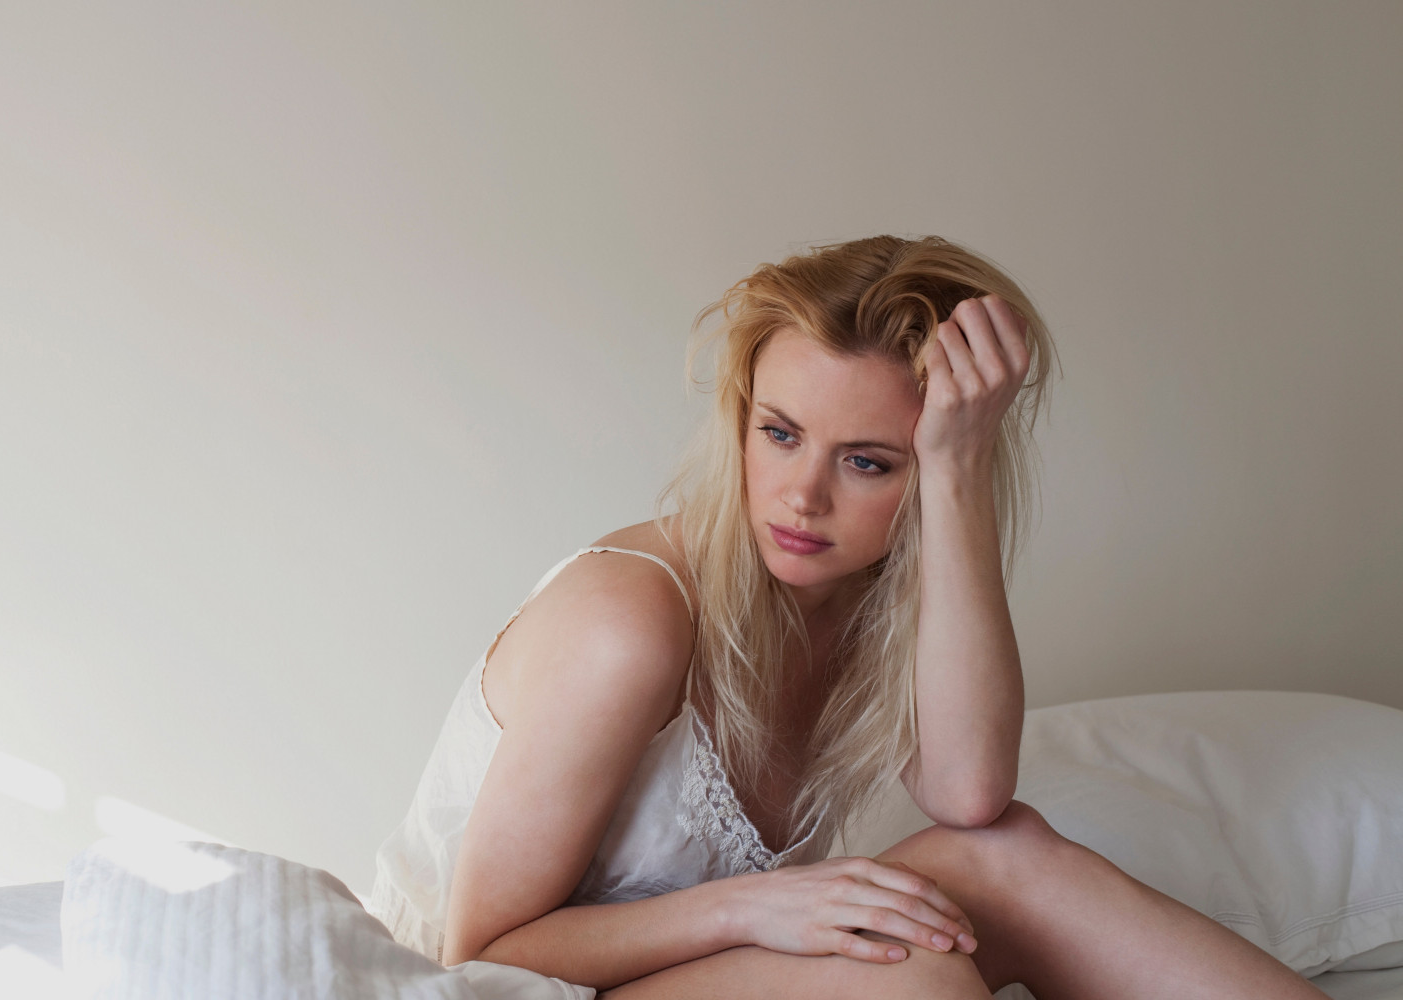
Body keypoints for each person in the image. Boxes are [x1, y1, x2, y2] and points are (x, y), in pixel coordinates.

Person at [367, 235, 1327, 999]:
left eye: (870, 461)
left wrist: (957, 470)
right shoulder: (628, 622)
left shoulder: (870, 596)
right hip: (506, 989)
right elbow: (481, 955)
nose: (802, 497)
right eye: (779, 434)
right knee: (917, 977)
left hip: (700, 969)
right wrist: (756, 908)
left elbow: (967, 793)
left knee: (1002, 855)